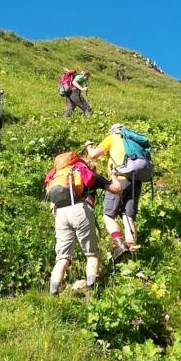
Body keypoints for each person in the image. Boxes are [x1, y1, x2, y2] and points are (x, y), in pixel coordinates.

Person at [45, 152, 122, 295]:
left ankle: (52, 295)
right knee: (91, 254)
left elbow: (52, 204)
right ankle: (92, 292)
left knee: (62, 258)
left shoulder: (61, 177)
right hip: (81, 210)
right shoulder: (90, 174)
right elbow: (116, 189)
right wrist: (113, 176)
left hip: (61, 214)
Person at [85, 123, 141, 257]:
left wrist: (88, 145)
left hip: (119, 180)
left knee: (108, 215)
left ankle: (120, 245)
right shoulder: (132, 141)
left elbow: (93, 155)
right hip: (136, 181)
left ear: (113, 131)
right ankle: (133, 250)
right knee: (128, 217)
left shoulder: (112, 138)